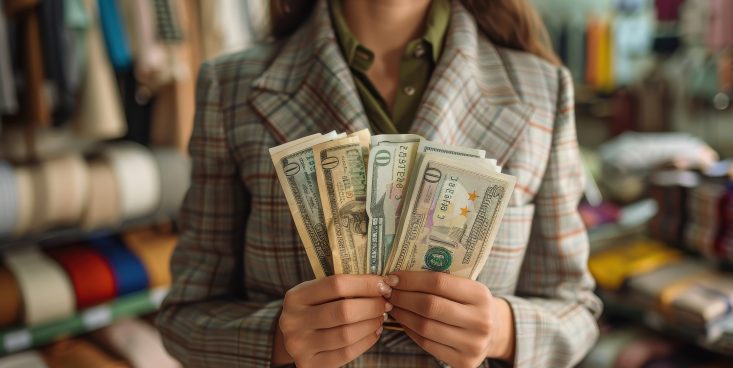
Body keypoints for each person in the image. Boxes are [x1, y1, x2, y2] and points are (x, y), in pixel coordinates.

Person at [156, 0, 602, 367]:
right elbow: (184, 317)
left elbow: (576, 310)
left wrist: (504, 330)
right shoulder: (229, 86)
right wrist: (276, 338)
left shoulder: (544, 89)